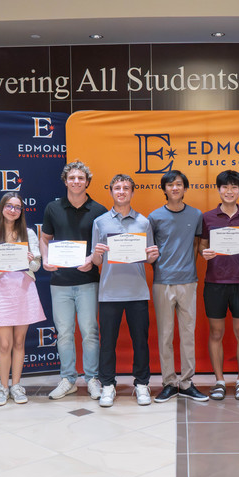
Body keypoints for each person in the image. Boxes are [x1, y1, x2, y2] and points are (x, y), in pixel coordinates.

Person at [40, 160, 108, 401]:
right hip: (60, 281)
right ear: (66, 181)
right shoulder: (53, 207)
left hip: (89, 280)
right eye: (72, 178)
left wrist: (92, 258)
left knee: (89, 331)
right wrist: (46, 258)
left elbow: (103, 246)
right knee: (65, 333)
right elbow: (45, 237)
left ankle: (92, 378)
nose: (76, 182)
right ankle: (68, 378)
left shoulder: (99, 210)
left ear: (87, 182)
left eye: (81, 178)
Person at [91, 174, 159, 407]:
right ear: (110, 191)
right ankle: (107, 385)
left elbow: (148, 257)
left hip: (137, 291)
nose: (121, 191)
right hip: (109, 292)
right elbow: (97, 261)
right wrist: (97, 254)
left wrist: (152, 257)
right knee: (107, 342)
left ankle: (142, 384)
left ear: (132, 192)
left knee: (140, 341)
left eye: (126, 188)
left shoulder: (144, 222)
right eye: (117, 188)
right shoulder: (100, 222)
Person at [0, 192, 46, 406]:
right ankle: (3, 387)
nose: (13, 210)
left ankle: (16, 386)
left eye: (17, 207)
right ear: (1, 208)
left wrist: (30, 259)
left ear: (21, 211)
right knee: (5, 344)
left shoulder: (29, 234)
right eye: (9, 206)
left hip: (24, 288)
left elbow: (36, 265)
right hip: (2, 290)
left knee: (19, 342)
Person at [148, 170, 208, 402]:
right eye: (170, 185)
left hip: (188, 281)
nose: (175, 188)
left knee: (187, 334)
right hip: (163, 281)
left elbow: (196, 245)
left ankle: (186, 381)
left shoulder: (196, 214)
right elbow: (150, 250)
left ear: (185, 188)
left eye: (179, 184)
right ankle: (169, 382)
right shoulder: (154, 217)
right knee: (165, 334)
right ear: (164, 189)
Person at [199, 170, 239, 401]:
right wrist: (206, 253)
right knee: (216, 332)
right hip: (215, 282)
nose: (229, 191)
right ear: (219, 189)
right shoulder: (208, 217)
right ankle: (219, 380)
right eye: (225, 187)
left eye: (234, 187)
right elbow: (202, 245)